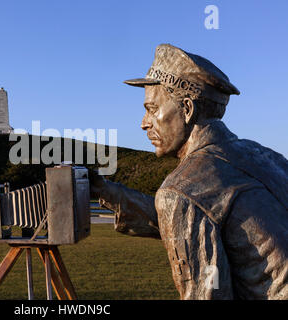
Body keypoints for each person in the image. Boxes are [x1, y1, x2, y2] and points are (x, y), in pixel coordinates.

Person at [90, 44, 288, 300]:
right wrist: (105, 191)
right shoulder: (266, 157)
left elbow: (206, 294)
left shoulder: (182, 190)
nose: (143, 123)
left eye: (151, 109)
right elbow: (196, 212)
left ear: (187, 109)